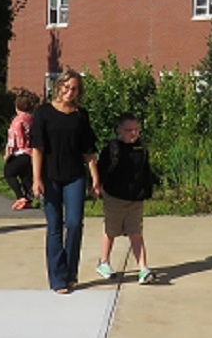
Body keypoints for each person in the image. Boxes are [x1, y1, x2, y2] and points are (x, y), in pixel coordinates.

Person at [31, 70, 101, 294]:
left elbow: (88, 151)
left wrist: (95, 179)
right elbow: (37, 148)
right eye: (67, 87)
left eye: (75, 89)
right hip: (50, 177)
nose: (70, 92)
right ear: (59, 86)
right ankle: (58, 279)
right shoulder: (43, 113)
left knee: (74, 224)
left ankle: (70, 273)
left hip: (75, 177)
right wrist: (36, 179)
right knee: (54, 227)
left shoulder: (81, 115)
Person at [95, 113, 155, 284]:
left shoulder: (141, 148)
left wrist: (147, 190)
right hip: (115, 197)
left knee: (136, 232)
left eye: (136, 129)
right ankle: (104, 262)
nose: (133, 133)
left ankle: (143, 269)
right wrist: (97, 187)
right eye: (129, 130)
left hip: (135, 198)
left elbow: (145, 171)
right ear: (119, 130)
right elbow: (101, 170)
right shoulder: (111, 149)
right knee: (111, 230)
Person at [4, 88, 39, 210]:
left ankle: (20, 197)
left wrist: (8, 153)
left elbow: (14, 138)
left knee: (9, 173)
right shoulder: (32, 119)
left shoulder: (17, 121)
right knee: (26, 177)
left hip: (20, 151)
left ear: (17, 107)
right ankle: (29, 198)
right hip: (31, 153)